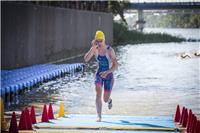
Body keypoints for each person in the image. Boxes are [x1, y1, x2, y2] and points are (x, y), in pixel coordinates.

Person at [84, 30, 118, 122]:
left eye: (101, 41)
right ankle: (99, 116)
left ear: (104, 40)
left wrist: (107, 72)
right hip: (99, 74)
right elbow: (86, 59)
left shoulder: (110, 50)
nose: (99, 43)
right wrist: (92, 48)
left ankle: (109, 100)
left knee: (105, 99)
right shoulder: (95, 49)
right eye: (97, 41)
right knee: (98, 93)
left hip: (109, 75)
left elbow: (116, 65)